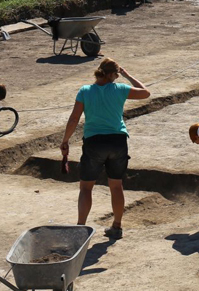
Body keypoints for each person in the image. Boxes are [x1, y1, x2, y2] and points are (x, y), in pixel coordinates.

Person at [61, 59, 149, 238]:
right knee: (116, 186)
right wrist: (128, 75)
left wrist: (65, 140)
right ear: (111, 75)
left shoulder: (85, 91)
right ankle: (116, 227)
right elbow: (146, 92)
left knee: (86, 188)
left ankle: (80, 229)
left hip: (94, 142)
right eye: (116, 75)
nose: (117, 78)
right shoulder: (120, 89)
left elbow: (74, 119)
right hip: (118, 141)